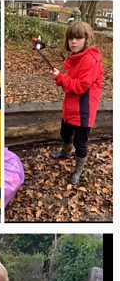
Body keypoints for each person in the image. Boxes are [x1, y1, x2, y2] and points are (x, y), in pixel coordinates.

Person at [49, 21, 104, 184]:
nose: (73, 42)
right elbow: (71, 82)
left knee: (80, 143)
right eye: (70, 38)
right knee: (65, 133)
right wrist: (61, 78)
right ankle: (65, 152)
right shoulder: (76, 56)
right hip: (70, 106)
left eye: (78, 38)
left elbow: (81, 86)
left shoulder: (90, 59)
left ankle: (78, 170)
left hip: (83, 111)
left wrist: (60, 77)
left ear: (86, 39)